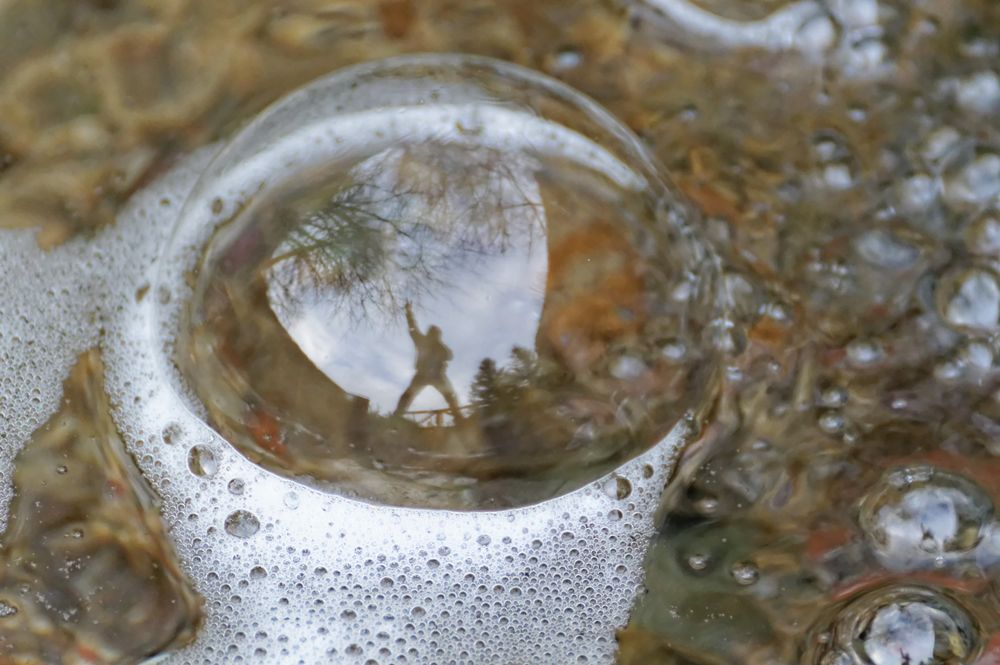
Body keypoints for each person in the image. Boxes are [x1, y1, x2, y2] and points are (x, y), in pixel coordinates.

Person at [394, 302, 463, 420]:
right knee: (409, 395)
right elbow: (413, 327)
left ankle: (457, 415)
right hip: (428, 375)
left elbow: (450, 356)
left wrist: (409, 312)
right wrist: (409, 312)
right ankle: (457, 414)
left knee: (448, 394)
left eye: (435, 336)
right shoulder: (425, 341)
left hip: (431, 375)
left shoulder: (433, 344)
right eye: (434, 335)